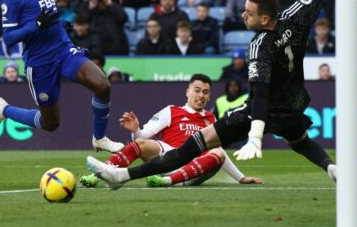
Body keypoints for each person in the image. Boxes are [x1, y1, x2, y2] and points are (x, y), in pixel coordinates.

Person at [86, 0, 338, 189]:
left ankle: (121, 175)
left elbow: (261, 93)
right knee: (300, 141)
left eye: (249, 13)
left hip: (258, 111)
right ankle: (331, 167)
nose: (243, 15)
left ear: (264, 20)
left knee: (193, 146)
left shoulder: (260, 46)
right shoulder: (295, 15)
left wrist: (255, 136)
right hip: (291, 105)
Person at [0, 0, 124, 154]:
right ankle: (4, 110)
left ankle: (99, 138)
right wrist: (36, 26)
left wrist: (60, 24)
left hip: (63, 48)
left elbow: (46, 16)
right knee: (50, 123)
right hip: (40, 61)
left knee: (103, 85)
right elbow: (9, 38)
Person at [81, 74, 262, 188]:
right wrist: (136, 130)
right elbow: (143, 138)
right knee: (140, 143)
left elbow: (221, 154)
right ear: (187, 92)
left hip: (194, 169)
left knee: (216, 151)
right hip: (167, 160)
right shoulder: (171, 111)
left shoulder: (212, 119)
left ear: (209, 96)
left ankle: (167, 181)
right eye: (197, 90)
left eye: (205, 92)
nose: (201, 96)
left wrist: (240, 178)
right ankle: (98, 175)